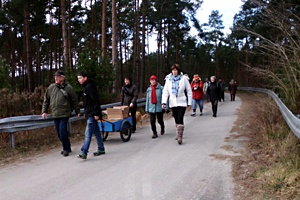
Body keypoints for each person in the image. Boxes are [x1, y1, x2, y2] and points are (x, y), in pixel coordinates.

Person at [41, 70, 80, 157]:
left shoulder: (68, 88)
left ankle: (66, 149)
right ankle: (67, 147)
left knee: (62, 131)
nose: (56, 78)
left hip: (65, 113)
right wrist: (44, 111)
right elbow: (46, 100)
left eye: (58, 77)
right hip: (55, 114)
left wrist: (78, 111)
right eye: (55, 77)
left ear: (63, 78)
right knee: (59, 133)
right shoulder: (51, 88)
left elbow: (74, 100)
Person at [76, 72, 105, 159]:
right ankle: (101, 148)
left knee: (88, 134)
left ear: (85, 77)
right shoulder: (85, 87)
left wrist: (96, 113)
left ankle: (84, 152)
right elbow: (88, 103)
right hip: (90, 113)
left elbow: (95, 100)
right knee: (96, 132)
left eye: (80, 78)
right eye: (78, 78)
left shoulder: (89, 87)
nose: (79, 80)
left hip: (93, 114)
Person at [162, 64, 192, 145]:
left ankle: (180, 136)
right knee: (176, 118)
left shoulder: (184, 79)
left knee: (180, 118)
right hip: (173, 102)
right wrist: (164, 102)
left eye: (175, 70)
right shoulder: (168, 79)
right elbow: (165, 91)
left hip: (182, 102)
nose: (174, 72)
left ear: (178, 71)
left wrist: (189, 102)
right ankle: (179, 131)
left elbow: (189, 90)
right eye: (173, 70)